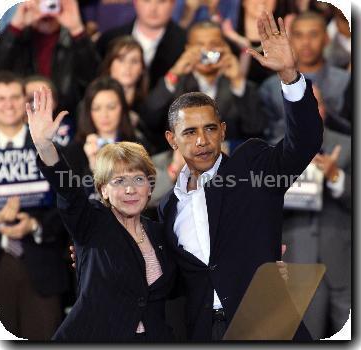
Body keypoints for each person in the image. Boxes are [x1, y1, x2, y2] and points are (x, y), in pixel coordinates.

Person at [158, 11, 323, 340]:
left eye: (209, 129)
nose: (202, 140)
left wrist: (290, 76)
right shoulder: (167, 208)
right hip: (205, 333)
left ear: (222, 131)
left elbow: (303, 143)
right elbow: (171, 281)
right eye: (189, 132)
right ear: (171, 140)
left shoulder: (252, 166)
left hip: (268, 327)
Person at [27, 87, 176, 341]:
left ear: (150, 185)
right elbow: (69, 192)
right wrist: (45, 146)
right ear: (103, 190)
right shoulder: (93, 223)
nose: (130, 189)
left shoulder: (160, 232)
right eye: (118, 181)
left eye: (138, 179)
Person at [0, 71, 68, 340]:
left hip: (43, 266)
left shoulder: (48, 145)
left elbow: (69, 200)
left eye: (15, 97)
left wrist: (35, 224)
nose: (8, 104)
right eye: (0, 98)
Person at [282, 86, 351, 339]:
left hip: (344, 259)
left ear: (325, 109)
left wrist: (335, 176)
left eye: (315, 105)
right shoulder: (274, 152)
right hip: (299, 260)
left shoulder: (349, 146)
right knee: (305, 336)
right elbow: (263, 205)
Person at [142, 21, 266, 150]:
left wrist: (238, 81)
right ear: (188, 49)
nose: (207, 51)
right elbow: (149, 120)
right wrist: (174, 73)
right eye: (199, 45)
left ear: (224, 48)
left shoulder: (239, 86)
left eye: (214, 45)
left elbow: (255, 128)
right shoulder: (174, 83)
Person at [259, 11, 350, 145]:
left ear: (326, 38)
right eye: (298, 35)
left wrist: (322, 111)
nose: (306, 42)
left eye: (313, 34)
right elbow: (264, 134)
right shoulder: (271, 87)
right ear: (290, 39)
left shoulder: (346, 81)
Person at [0, 0, 100, 116]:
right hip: (20, 118)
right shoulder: (16, 38)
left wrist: (76, 29)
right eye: (40, 2)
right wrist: (15, 27)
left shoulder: (76, 40)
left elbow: (94, 80)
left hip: (66, 118)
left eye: (52, 4)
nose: (46, 10)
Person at [62, 77, 153, 199]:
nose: (104, 115)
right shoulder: (74, 151)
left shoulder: (138, 146)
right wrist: (92, 168)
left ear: (122, 108)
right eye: (97, 108)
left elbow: (148, 192)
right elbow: (73, 202)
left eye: (111, 107)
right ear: (88, 112)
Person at [96, 0, 187, 90]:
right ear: (135, 2)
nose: (153, 9)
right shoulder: (109, 40)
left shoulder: (185, 44)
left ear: (173, 4)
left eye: (161, 1)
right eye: (146, 1)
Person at [172, 0, 240, 29]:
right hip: (189, 42)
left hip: (217, 43)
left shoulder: (231, 2)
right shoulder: (180, 2)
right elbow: (173, 34)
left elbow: (229, 31)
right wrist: (190, 11)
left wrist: (213, 10)